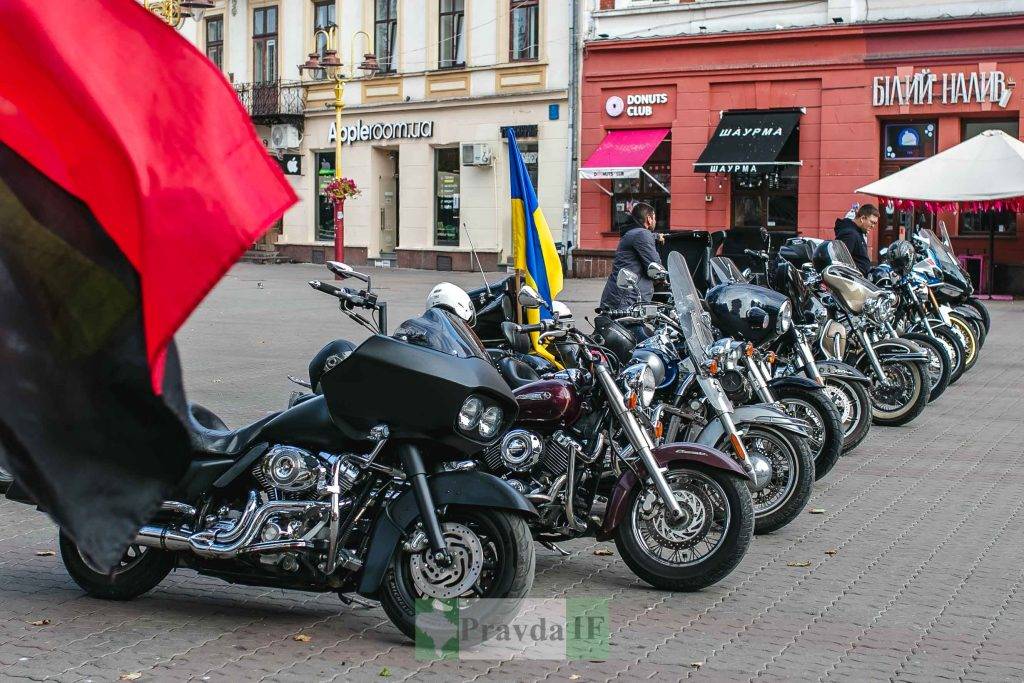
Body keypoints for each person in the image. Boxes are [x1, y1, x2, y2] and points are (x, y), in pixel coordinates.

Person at [600, 203, 664, 310]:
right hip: (627, 299)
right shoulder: (642, 234)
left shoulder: (631, 233)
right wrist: (664, 277)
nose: (655, 221)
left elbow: (641, 238)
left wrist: (656, 236)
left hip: (619, 296)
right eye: (654, 218)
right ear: (648, 219)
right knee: (635, 327)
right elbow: (655, 265)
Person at [834, 203, 878, 275]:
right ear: (862, 218)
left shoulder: (857, 232)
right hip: (853, 282)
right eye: (872, 222)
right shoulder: (850, 234)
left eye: (875, 224)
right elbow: (841, 263)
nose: (873, 226)